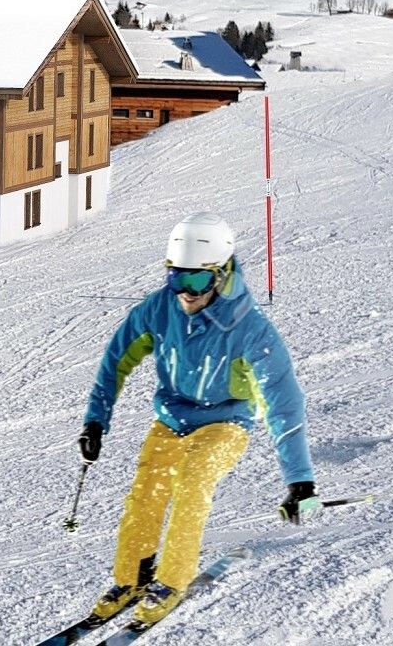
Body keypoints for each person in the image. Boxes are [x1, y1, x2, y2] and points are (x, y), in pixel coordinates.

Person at [77, 212, 319, 630]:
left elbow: (283, 401)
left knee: (192, 484)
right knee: (145, 494)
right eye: (177, 279)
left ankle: (172, 580)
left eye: (196, 281)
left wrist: (300, 481)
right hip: (172, 417)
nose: (185, 293)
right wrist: (96, 421)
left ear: (221, 273)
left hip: (226, 422)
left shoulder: (251, 330)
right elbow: (115, 360)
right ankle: (132, 579)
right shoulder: (158, 310)